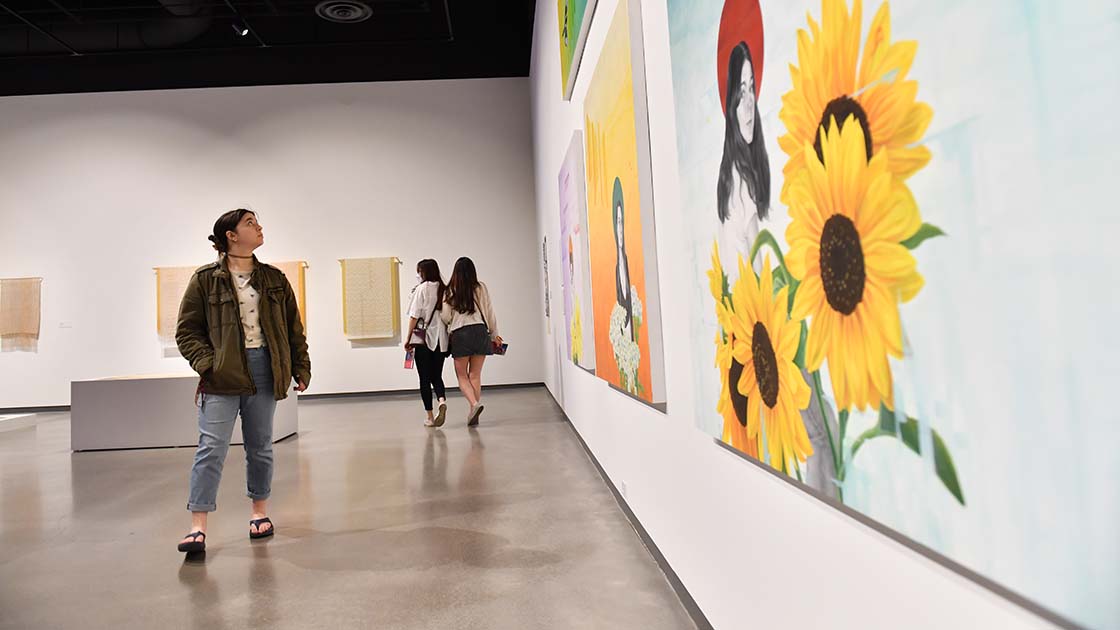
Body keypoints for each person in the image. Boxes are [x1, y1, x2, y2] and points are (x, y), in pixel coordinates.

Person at [174, 208, 311, 553]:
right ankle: (197, 526)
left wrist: (301, 367)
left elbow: (294, 329)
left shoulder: (275, 279)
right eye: (250, 223)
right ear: (231, 235)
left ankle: (259, 513)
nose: (259, 227)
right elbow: (187, 331)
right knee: (211, 449)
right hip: (221, 376)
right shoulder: (205, 279)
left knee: (260, 446)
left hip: (264, 370)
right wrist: (209, 365)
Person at [716, 40, 771, 278]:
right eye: (742, 91)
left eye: (751, 88)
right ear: (732, 104)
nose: (749, 104)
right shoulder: (740, 180)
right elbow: (761, 279)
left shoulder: (730, 173)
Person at [440, 257, 501, 426]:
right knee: (475, 375)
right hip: (481, 331)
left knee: (462, 375)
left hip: (461, 334)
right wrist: (495, 334)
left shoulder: (450, 290)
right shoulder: (481, 287)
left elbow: (445, 316)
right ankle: (473, 411)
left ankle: (474, 405)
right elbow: (489, 312)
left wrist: (450, 322)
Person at [404, 259, 450, 428]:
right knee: (436, 375)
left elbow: (414, 316)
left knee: (424, 378)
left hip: (422, 338)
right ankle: (442, 400)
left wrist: (408, 338)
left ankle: (430, 417)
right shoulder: (446, 289)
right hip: (441, 339)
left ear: (423, 272)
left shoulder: (422, 289)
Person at [612, 177, 635, 342]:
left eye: (622, 222)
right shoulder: (616, 269)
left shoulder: (628, 263)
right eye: (617, 222)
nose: (620, 229)